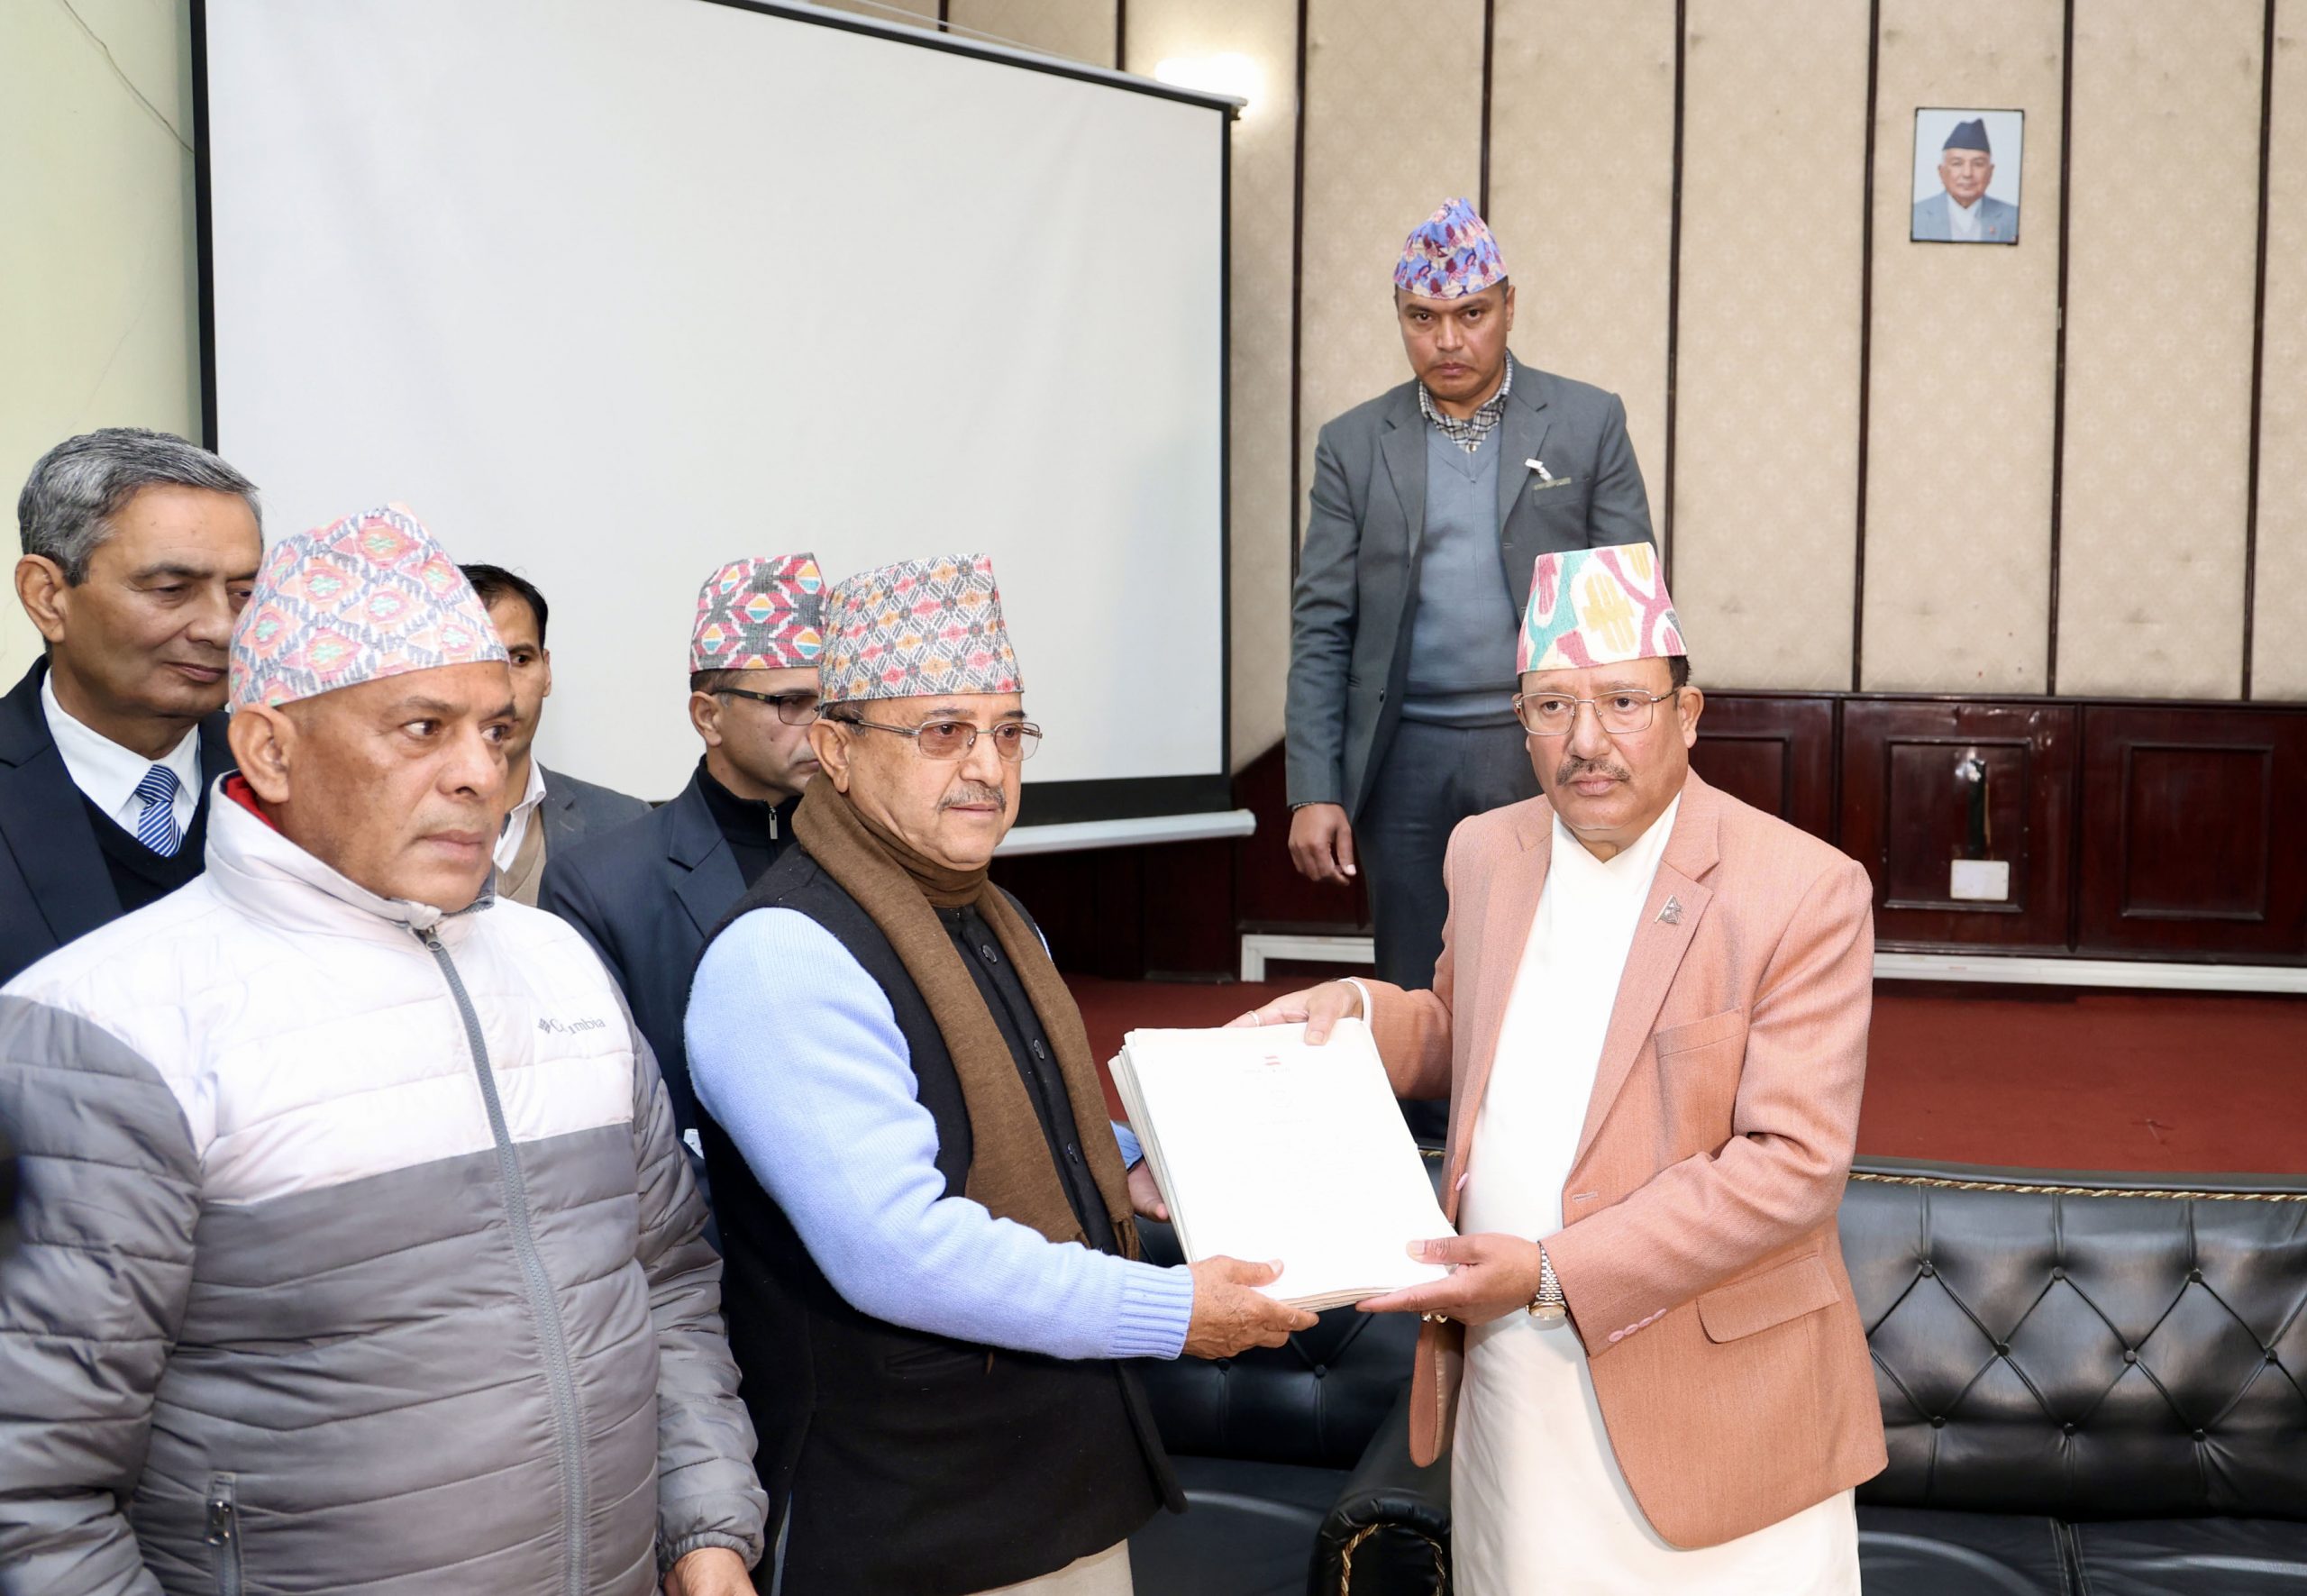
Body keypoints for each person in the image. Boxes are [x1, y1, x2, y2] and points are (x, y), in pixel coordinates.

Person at [0, 506, 766, 1595]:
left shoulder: (560, 967)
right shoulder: (102, 1026)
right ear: (271, 749)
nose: (481, 774)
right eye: (421, 728)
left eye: (494, 730)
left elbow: (669, 1282)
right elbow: (32, 1492)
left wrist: (705, 1528)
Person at [1248, 543, 1884, 1594]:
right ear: (1522, 719)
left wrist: (1549, 1273)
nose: (1586, 741)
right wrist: (1356, 1012)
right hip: (1514, 1382)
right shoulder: (1484, 850)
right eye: (1551, 707)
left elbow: (1790, 1166)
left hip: (1715, 1403)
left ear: (1687, 713)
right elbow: (1462, 1034)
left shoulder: (1801, 889)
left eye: (1623, 702)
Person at [687, 553, 1314, 1596]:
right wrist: (1169, 1311)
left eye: (1009, 730)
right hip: (908, 1520)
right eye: (943, 731)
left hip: (1064, 1480)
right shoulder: (781, 958)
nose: (987, 764)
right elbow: (898, 1247)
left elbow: (998, 1118)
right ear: (837, 749)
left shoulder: (992, 913)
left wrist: (1122, 1160)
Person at [1285, 199, 1656, 1135]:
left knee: (1554, 955)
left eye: (1471, 314)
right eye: (1423, 318)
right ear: (1400, 316)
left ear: (1508, 306)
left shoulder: (1586, 422)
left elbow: (1625, 606)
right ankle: (1419, 1164)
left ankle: (1550, 1147)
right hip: (1401, 754)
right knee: (1415, 971)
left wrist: (1630, 754)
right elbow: (1323, 623)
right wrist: (1313, 787)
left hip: (1542, 747)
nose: (1447, 340)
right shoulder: (1352, 444)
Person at [541, 553, 828, 1144]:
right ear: (708, 717)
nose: (820, 728)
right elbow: (611, 1107)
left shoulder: (878, 857)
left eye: (829, 705)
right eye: (791, 703)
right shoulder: (601, 885)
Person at [2, 428, 262, 984]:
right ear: (47, 597)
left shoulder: (290, 779)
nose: (221, 628)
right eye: (171, 589)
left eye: (242, 593)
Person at [459, 562, 649, 905]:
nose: (503, 691)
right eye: (477, 660)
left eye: (520, 659)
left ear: (546, 671)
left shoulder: (626, 825)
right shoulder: (386, 830)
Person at [1911, 117, 2018, 243]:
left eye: (1978, 164)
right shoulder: (1915, 215)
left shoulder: (2014, 217)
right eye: (1957, 163)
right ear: (1941, 172)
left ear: (1990, 172)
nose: (1967, 173)